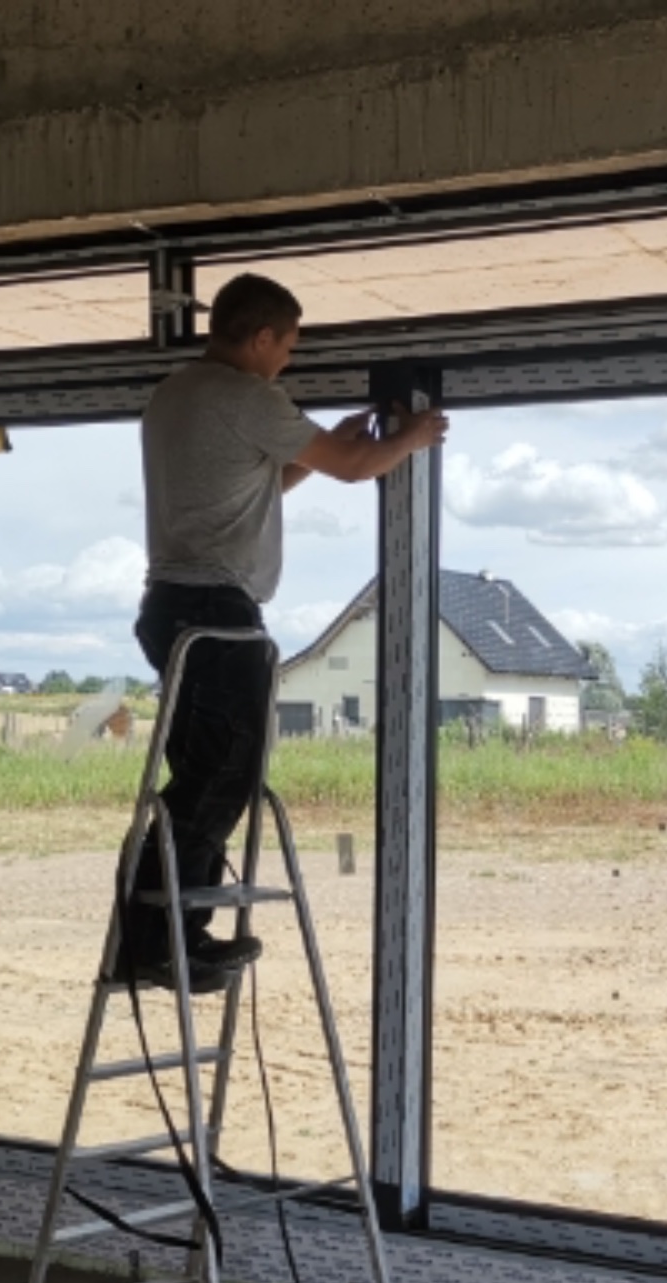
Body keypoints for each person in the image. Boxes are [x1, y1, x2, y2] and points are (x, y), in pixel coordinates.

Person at [121, 272, 447, 990]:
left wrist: (316, 452)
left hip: (171, 608)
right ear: (261, 336)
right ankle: (162, 941)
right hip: (214, 612)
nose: (288, 361)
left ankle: (152, 937)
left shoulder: (175, 393)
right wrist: (417, 437)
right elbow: (356, 469)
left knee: (203, 775)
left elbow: (256, 486)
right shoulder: (247, 396)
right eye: (289, 346)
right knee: (220, 777)